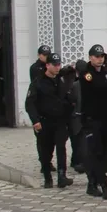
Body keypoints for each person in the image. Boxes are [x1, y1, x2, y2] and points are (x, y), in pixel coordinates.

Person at [78, 44, 107, 199]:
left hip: (106, 118)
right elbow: (100, 86)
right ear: (90, 57)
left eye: (102, 56)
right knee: (95, 152)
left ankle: (92, 184)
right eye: (96, 56)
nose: (100, 59)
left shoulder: (106, 72)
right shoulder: (86, 74)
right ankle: (104, 184)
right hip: (92, 118)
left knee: (104, 152)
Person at [25, 53, 73, 189]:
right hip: (44, 121)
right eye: (54, 65)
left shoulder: (61, 80)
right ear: (47, 65)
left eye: (59, 64)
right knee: (46, 150)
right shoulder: (38, 82)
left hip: (60, 121)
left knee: (61, 148)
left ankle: (62, 176)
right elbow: (30, 103)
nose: (57, 67)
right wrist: (35, 121)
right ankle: (47, 177)